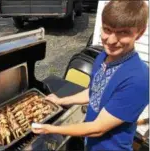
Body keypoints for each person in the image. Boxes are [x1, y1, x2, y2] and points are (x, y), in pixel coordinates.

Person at [32, 0, 149, 151]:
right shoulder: (102, 57)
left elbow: (97, 128)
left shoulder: (138, 79)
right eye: (107, 30)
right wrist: (60, 100)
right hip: (91, 144)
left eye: (123, 32)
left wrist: (50, 129)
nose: (111, 40)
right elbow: (94, 92)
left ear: (139, 32)